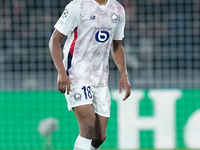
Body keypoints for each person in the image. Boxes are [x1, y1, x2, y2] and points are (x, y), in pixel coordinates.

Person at [49, 0, 131, 149]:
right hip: (76, 75)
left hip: (100, 79)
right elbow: (54, 40)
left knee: (99, 137)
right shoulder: (77, 6)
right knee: (88, 125)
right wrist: (61, 72)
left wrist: (124, 73)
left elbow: (117, 45)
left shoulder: (118, 9)